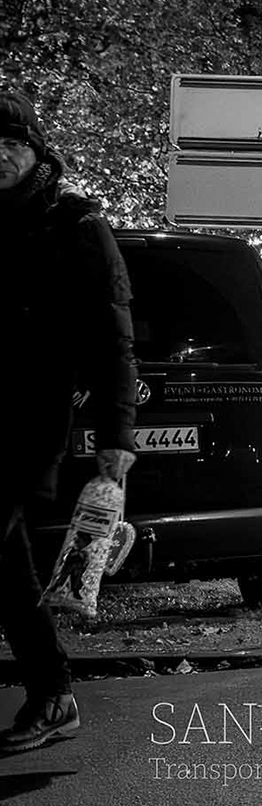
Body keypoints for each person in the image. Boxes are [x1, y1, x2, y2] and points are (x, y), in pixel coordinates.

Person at [0, 91, 138, 755]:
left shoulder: (77, 225)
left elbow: (113, 340)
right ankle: (52, 695)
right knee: (6, 561)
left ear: (35, 149)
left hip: (30, 415)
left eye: (11, 143)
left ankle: (51, 692)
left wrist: (118, 439)